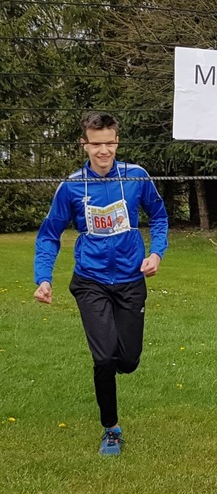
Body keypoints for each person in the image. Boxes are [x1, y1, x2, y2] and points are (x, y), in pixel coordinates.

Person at [33, 111, 169, 455]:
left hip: (131, 280)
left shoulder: (136, 176)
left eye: (109, 143)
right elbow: (49, 235)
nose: (103, 151)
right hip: (90, 280)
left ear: (117, 141)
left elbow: (159, 216)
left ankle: (117, 364)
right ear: (85, 144)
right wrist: (43, 278)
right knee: (105, 358)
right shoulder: (71, 186)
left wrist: (156, 254)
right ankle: (111, 429)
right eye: (96, 144)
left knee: (128, 360)